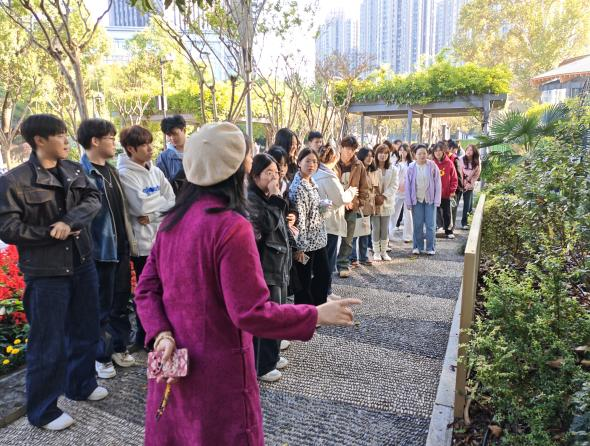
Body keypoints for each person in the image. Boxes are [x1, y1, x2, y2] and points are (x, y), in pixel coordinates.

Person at [134, 122, 360, 445]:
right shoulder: (230, 226)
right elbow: (250, 312)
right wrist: (314, 314)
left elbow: (145, 289)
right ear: (236, 168)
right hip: (218, 370)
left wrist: (161, 333)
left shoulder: (173, 220)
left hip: (172, 360)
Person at [0, 114, 107, 431]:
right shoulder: (14, 181)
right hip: (46, 273)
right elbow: (7, 228)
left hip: (82, 263)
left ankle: (81, 384)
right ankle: (43, 410)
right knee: (48, 342)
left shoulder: (73, 169)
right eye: (60, 135)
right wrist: (50, 233)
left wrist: (69, 221)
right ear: (39, 140)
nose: (66, 140)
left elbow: (93, 199)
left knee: (86, 328)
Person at [77, 119, 138, 379]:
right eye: (111, 139)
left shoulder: (111, 171)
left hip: (120, 247)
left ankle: (119, 347)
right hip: (100, 251)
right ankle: (101, 357)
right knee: (101, 307)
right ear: (95, 141)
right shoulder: (82, 173)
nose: (115, 143)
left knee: (121, 302)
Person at [117, 125, 175, 349]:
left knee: (165, 290)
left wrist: (152, 215)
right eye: (144, 145)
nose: (150, 148)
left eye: (150, 143)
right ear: (130, 149)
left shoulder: (156, 171)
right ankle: (145, 336)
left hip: (161, 240)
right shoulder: (125, 175)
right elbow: (139, 206)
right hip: (142, 246)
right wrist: (157, 207)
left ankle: (161, 333)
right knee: (147, 292)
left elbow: (173, 200)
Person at [247, 154, 292, 383]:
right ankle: (263, 365)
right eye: (268, 173)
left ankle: (271, 357)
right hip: (265, 265)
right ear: (255, 176)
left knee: (278, 311)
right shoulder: (251, 198)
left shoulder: (268, 196)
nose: (274, 177)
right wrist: (276, 198)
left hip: (277, 262)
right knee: (268, 315)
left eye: (276, 172)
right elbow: (267, 224)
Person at [313, 145, 358, 299]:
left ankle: (326, 291)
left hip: (321, 221)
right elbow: (340, 199)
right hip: (330, 222)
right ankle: (325, 292)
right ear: (335, 158)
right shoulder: (328, 176)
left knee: (323, 260)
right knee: (328, 260)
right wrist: (351, 191)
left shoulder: (316, 173)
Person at [288, 148, 331, 306]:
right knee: (304, 281)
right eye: (307, 161)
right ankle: (305, 312)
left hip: (317, 239)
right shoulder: (299, 187)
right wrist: (299, 247)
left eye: (314, 161)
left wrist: (323, 207)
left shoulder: (311, 182)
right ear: (299, 163)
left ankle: (317, 308)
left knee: (323, 275)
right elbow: (300, 218)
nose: (311, 164)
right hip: (305, 243)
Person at [335, 136, 369, 277]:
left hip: (351, 207)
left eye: (352, 149)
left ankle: (343, 264)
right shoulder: (333, 162)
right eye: (347, 148)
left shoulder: (358, 165)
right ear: (341, 147)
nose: (349, 152)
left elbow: (364, 188)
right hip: (334, 206)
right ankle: (328, 264)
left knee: (348, 239)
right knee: (331, 237)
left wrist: (357, 203)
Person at [405, 144, 442, 255]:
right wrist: (408, 202)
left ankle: (431, 248)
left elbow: (438, 183)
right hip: (416, 200)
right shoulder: (411, 168)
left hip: (430, 200)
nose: (422, 156)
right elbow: (408, 186)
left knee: (431, 225)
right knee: (417, 224)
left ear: (427, 154)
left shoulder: (432, 166)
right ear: (414, 155)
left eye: (424, 153)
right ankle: (417, 247)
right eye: (419, 153)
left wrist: (437, 200)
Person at [370, 144, 398, 261]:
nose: (383, 155)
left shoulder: (393, 169)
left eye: (386, 153)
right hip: (374, 202)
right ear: (376, 154)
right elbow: (369, 184)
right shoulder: (372, 168)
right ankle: (376, 252)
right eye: (381, 153)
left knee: (384, 228)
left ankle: (384, 251)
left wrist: (384, 196)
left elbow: (394, 185)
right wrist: (376, 196)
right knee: (376, 228)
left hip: (387, 202)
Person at [350, 147, 375, 265]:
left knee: (365, 232)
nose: (370, 158)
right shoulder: (357, 168)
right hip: (358, 204)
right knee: (355, 233)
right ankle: (353, 257)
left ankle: (363, 257)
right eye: (367, 155)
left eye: (371, 156)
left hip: (368, 206)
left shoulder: (372, 171)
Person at [433, 142, 458, 239]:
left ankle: (448, 231)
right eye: (436, 151)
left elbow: (454, 178)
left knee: (447, 214)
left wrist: (452, 190)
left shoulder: (449, 163)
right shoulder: (432, 164)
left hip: (446, 194)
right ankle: (436, 228)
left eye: (440, 150)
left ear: (443, 151)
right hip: (434, 194)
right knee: (434, 213)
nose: (438, 153)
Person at [389, 143, 413, 243]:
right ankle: (389, 234)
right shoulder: (395, 163)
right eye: (400, 150)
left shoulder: (411, 164)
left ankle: (408, 236)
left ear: (408, 152)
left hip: (408, 192)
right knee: (393, 213)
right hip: (397, 192)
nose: (402, 152)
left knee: (408, 215)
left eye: (404, 150)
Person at [157, 114, 187, 194]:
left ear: (184, 130)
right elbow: (161, 184)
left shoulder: (197, 150)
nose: (172, 138)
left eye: (175, 133)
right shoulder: (163, 158)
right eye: (169, 135)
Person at [460, 144, 481, 229]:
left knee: (467, 204)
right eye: (467, 149)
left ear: (474, 152)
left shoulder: (477, 162)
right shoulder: (461, 159)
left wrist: (469, 184)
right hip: (460, 183)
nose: (468, 151)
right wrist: (462, 182)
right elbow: (458, 171)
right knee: (454, 204)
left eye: (471, 150)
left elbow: (476, 175)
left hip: (470, 184)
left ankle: (465, 223)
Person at [446, 140, 464, 230]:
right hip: (451, 189)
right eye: (455, 150)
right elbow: (459, 174)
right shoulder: (453, 158)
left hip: (452, 189)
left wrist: (459, 188)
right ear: (451, 148)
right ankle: (449, 227)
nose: (456, 152)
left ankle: (450, 228)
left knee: (451, 208)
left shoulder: (452, 158)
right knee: (451, 209)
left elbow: (458, 174)